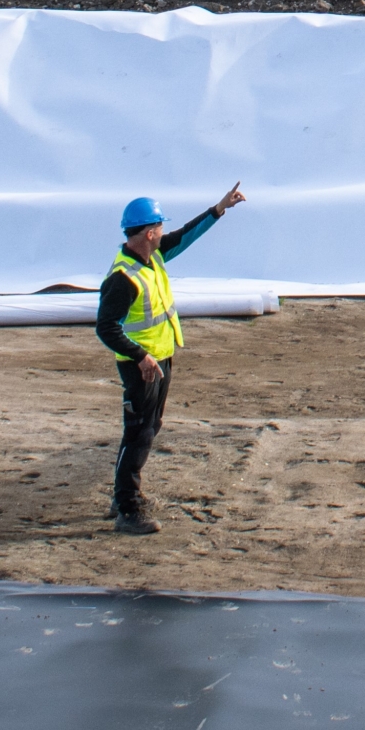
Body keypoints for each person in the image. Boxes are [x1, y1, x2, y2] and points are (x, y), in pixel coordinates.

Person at [95, 184, 246, 535]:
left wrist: (219, 208)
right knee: (139, 433)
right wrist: (141, 356)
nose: (164, 231)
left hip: (159, 360)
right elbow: (105, 328)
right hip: (141, 367)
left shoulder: (153, 255)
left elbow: (185, 236)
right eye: (160, 226)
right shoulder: (123, 279)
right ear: (149, 232)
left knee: (148, 428)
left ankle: (123, 497)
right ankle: (127, 509)